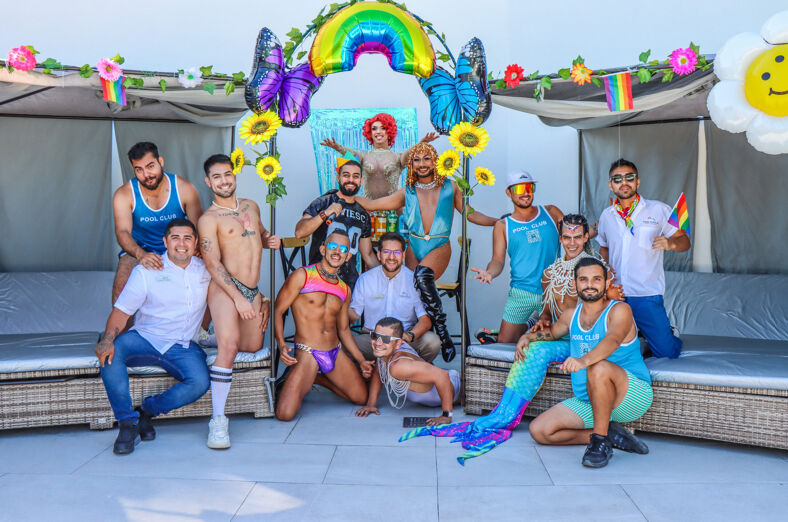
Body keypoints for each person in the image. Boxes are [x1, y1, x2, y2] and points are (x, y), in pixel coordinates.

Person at [398, 216, 622, 464]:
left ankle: (506, 415)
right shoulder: (550, 272)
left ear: (585, 237)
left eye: (578, 237)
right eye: (567, 237)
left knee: (536, 350)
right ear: (560, 238)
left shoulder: (598, 271)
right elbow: (549, 311)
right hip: (560, 335)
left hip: (586, 341)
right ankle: (503, 413)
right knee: (529, 346)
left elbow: (613, 314)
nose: (572, 242)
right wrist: (541, 323)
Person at [358, 143, 498, 361]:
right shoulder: (407, 191)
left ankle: (443, 332)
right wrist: (342, 196)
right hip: (414, 245)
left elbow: (470, 214)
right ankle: (413, 341)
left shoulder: (451, 187)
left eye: (426, 159)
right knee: (413, 289)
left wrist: (498, 222)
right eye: (416, 160)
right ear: (411, 165)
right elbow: (372, 205)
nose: (422, 164)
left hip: (439, 245)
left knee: (421, 275)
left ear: (435, 161)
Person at [95, 218, 210, 455]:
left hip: (182, 345)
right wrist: (107, 339)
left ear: (196, 242)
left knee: (199, 383)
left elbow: (233, 285)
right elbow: (121, 312)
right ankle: (127, 422)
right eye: (175, 237)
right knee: (111, 353)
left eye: (187, 238)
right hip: (145, 339)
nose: (181, 243)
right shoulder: (146, 271)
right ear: (165, 241)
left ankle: (146, 411)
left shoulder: (205, 270)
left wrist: (263, 302)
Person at [524, 257, 652, 468]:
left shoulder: (620, 310)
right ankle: (608, 434)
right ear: (575, 284)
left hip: (631, 395)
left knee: (598, 367)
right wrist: (527, 338)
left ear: (606, 283)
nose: (590, 285)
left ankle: (599, 443)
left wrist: (583, 360)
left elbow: (612, 340)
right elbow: (552, 334)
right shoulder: (570, 316)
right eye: (583, 279)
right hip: (589, 401)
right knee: (540, 431)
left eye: (596, 279)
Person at [197, 154, 281, 449]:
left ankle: (210, 338)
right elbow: (212, 263)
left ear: (235, 175)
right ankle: (218, 421)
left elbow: (258, 234)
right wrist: (238, 300)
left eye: (227, 174)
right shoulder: (208, 219)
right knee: (230, 348)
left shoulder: (252, 206)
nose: (223, 180)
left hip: (253, 289)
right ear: (209, 182)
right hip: (225, 289)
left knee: (252, 347)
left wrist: (271, 239)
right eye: (216, 177)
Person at [273, 230, 374, 421]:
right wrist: (281, 343)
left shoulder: (344, 289)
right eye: (332, 246)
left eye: (343, 249)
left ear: (348, 256)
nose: (337, 251)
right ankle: (300, 377)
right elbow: (278, 310)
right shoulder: (302, 276)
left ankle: (319, 379)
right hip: (308, 351)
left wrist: (361, 360)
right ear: (322, 249)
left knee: (362, 398)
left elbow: (343, 329)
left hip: (334, 351)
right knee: (285, 414)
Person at [597, 158, 690, 359]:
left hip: (646, 295)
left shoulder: (658, 210)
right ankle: (639, 336)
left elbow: (684, 241)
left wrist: (671, 244)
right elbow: (604, 249)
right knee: (609, 348)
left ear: (637, 182)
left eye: (629, 177)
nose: (624, 182)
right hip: (615, 294)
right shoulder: (606, 215)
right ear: (610, 185)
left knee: (666, 352)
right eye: (617, 178)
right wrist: (606, 275)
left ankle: (668, 333)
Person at [470, 171, 562, 343]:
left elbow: (575, 234)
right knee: (504, 345)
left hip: (552, 291)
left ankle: (529, 325)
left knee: (553, 339)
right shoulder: (503, 225)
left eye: (529, 187)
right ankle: (527, 325)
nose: (526, 192)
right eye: (520, 188)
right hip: (521, 292)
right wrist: (490, 273)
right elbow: (497, 260)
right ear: (509, 192)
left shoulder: (551, 212)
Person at [111, 141, 203, 303]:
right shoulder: (124, 194)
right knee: (122, 286)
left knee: (207, 279)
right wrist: (141, 254)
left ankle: (201, 329)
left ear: (161, 162)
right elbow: (122, 232)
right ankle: (125, 330)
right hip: (141, 248)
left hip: (176, 247)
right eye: (139, 169)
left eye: (150, 166)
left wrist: (196, 251)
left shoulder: (184, 188)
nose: (146, 174)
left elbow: (199, 229)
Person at [349, 232, 440, 363]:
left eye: (397, 252)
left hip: (404, 338)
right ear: (379, 255)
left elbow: (425, 320)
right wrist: (340, 303)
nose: (391, 257)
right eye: (386, 252)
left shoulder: (414, 281)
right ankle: (367, 374)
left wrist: (409, 336)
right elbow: (354, 315)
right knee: (343, 347)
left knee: (432, 342)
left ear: (403, 256)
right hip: (373, 338)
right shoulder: (365, 279)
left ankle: (410, 374)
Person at [295, 153, 378, 290]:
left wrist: (386, 275)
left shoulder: (363, 214)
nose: (350, 180)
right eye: (346, 175)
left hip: (348, 282)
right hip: (320, 277)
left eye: (355, 176)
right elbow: (299, 232)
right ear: (338, 177)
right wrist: (326, 213)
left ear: (361, 181)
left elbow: (368, 254)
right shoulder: (324, 202)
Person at [356, 317, 460, 425]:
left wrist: (446, 415)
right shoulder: (385, 353)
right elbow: (379, 370)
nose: (378, 343)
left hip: (458, 387)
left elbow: (442, 375)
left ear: (398, 343)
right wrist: (371, 404)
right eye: (375, 336)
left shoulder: (399, 365)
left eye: (386, 339)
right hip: (445, 383)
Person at [321, 112, 439, 199]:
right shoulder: (364, 156)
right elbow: (353, 154)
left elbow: (410, 153)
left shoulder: (398, 158)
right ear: (370, 134)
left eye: (383, 128)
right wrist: (338, 147)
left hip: (393, 213)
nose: (378, 131)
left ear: (389, 132)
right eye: (374, 129)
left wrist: (422, 143)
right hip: (369, 211)